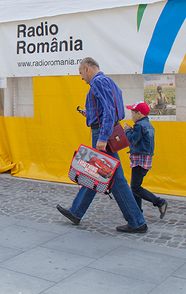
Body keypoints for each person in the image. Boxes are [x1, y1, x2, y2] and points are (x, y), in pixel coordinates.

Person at [56, 57, 147, 233]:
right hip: (105, 130)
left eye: (81, 73)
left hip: (103, 133)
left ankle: (136, 221)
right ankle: (76, 211)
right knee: (95, 173)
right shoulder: (109, 82)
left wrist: (103, 137)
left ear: (88, 68)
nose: (81, 77)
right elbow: (113, 107)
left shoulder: (98, 82)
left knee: (114, 178)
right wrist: (89, 114)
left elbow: (110, 111)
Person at [123, 101, 168, 218]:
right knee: (135, 186)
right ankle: (137, 211)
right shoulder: (148, 125)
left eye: (133, 113)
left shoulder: (139, 126)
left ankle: (159, 202)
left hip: (140, 159)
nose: (131, 115)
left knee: (136, 187)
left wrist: (127, 130)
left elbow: (132, 140)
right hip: (145, 159)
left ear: (139, 114)